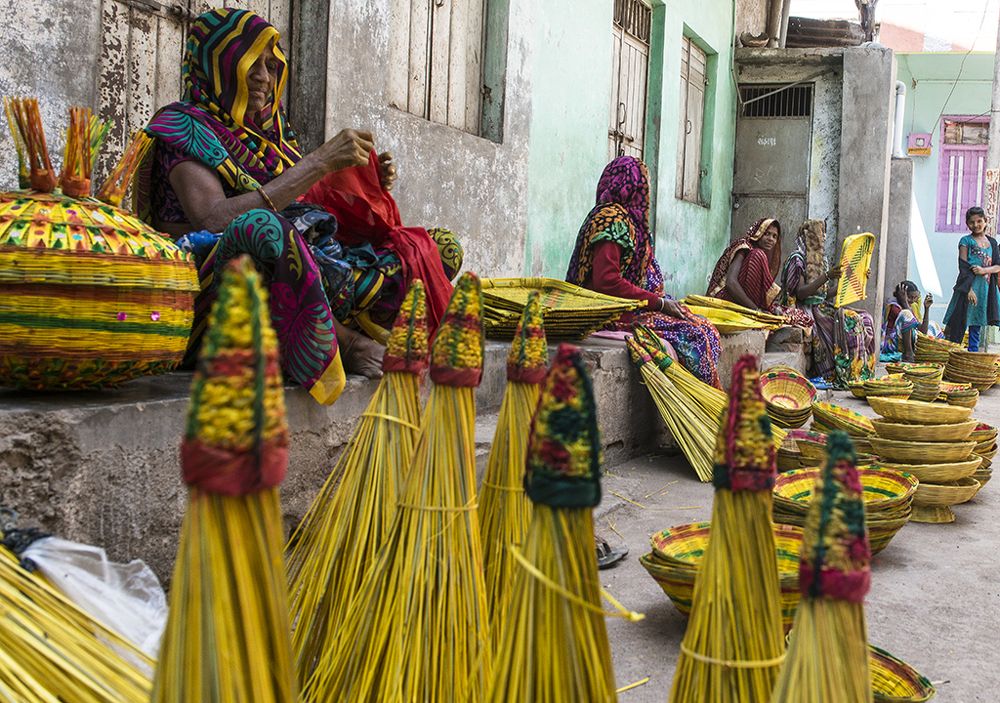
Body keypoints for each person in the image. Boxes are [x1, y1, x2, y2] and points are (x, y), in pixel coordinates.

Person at [137, 8, 459, 401]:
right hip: (209, 287)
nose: (263, 77)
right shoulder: (183, 124)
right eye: (249, 62)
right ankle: (344, 343)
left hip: (299, 264)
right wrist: (319, 162)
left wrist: (364, 180)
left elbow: (310, 203)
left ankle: (337, 322)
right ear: (214, 62)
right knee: (262, 231)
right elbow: (213, 219)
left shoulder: (272, 135)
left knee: (434, 247)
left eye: (272, 67)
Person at [565, 156, 723, 388]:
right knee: (694, 335)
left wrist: (660, 301)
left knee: (705, 327)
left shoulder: (623, 219)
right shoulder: (612, 220)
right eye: (643, 184)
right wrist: (658, 304)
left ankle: (706, 400)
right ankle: (702, 401)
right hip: (605, 313)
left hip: (625, 306)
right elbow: (606, 281)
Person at [777, 222, 876, 387]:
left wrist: (859, 278)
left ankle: (862, 372)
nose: (822, 238)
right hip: (803, 308)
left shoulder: (820, 260)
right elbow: (800, 293)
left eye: (823, 234)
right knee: (851, 323)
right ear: (808, 236)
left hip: (819, 307)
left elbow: (823, 294)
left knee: (865, 318)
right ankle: (843, 373)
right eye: (819, 234)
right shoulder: (797, 259)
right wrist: (827, 276)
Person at [707, 217, 813, 329]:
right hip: (723, 297)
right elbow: (731, 283)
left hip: (741, 300)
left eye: (774, 236)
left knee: (798, 316)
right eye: (766, 233)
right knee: (758, 255)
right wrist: (755, 310)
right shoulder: (744, 248)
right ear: (758, 233)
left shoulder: (763, 256)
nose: (770, 239)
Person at [943, 206, 1000, 351]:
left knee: (977, 324)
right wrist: (968, 290)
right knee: (958, 322)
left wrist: (983, 270)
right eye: (972, 222)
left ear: (986, 221)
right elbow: (963, 267)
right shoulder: (966, 241)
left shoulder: (992, 243)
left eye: (979, 221)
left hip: (985, 289)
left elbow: (998, 266)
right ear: (967, 224)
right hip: (967, 287)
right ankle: (952, 355)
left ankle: (972, 356)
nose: (976, 225)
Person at [881, 281, 935, 362]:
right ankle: (908, 354)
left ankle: (928, 352)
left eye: (915, 297)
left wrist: (927, 308)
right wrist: (904, 302)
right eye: (909, 297)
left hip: (906, 342)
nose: (912, 300)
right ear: (901, 295)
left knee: (932, 325)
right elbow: (908, 317)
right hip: (892, 344)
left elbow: (922, 331)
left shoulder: (911, 307)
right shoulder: (894, 306)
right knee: (906, 313)